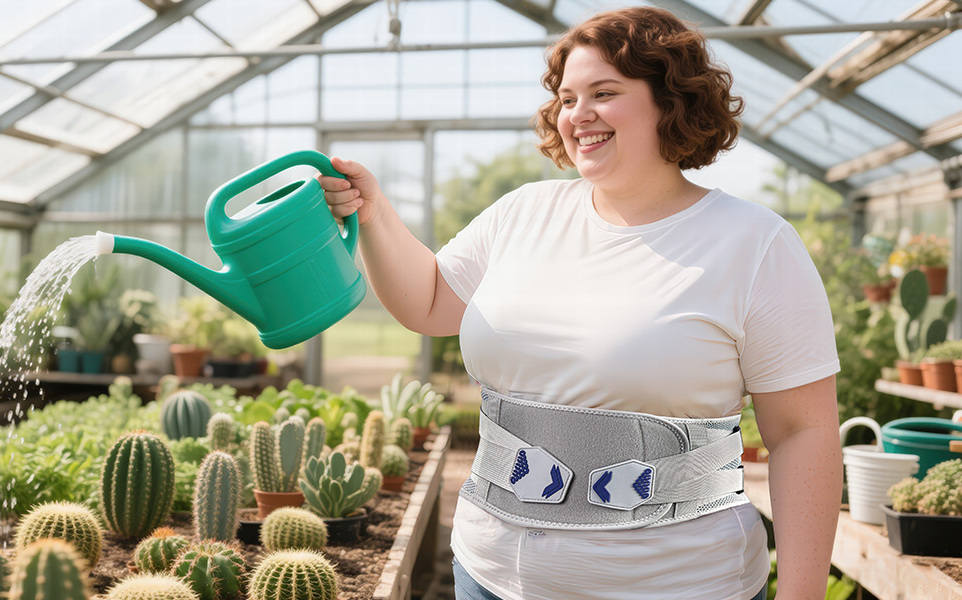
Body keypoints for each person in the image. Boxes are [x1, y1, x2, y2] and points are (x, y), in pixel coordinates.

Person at [320, 7, 841, 600]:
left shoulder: (754, 244)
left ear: (671, 100)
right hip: (488, 575)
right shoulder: (524, 213)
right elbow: (432, 302)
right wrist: (375, 212)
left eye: (604, 92)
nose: (578, 114)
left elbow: (803, 432)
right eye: (567, 98)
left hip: (676, 586)